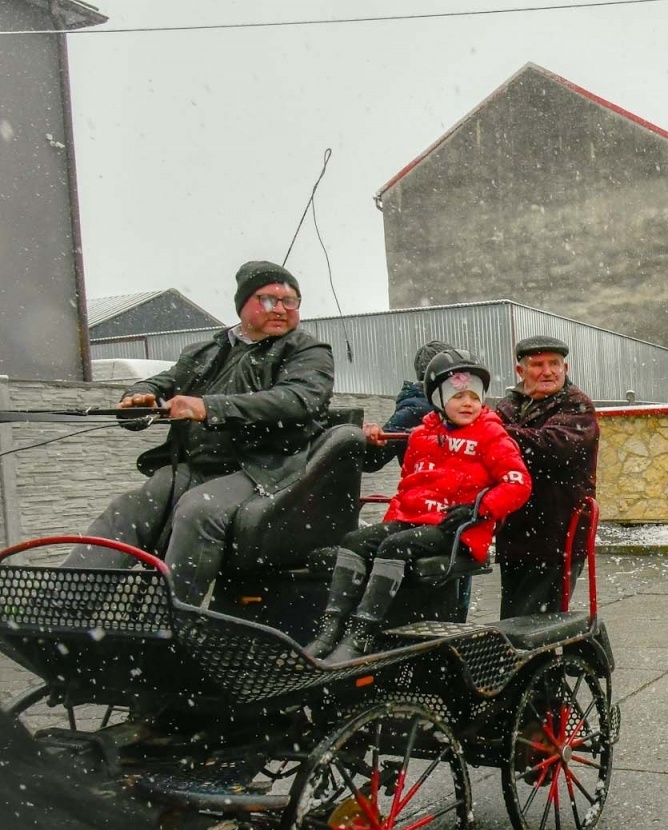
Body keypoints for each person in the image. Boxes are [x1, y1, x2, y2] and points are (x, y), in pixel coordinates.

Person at [63, 261, 334, 605]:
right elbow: (161, 382)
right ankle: (61, 606)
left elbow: (297, 400)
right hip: (201, 468)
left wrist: (209, 407)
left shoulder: (308, 352)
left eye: (290, 301)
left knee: (197, 510)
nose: (280, 309)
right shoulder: (205, 352)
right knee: (130, 507)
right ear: (243, 305)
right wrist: (139, 398)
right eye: (267, 300)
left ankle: (174, 620)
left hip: (270, 467)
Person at [304, 351, 529, 661]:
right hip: (414, 520)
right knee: (355, 541)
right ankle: (331, 628)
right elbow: (408, 485)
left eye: (474, 397)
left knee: (395, 547)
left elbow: (518, 484)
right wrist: (388, 524)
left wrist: (479, 510)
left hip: (456, 528)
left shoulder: (491, 434)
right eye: (457, 396)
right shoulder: (422, 435)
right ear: (437, 399)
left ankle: (362, 634)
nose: (468, 403)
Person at [494, 335, 600, 618]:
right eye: (538, 364)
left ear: (566, 367)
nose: (548, 371)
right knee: (514, 619)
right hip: (515, 535)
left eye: (555, 363)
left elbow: (551, 447)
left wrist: (495, 435)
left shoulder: (577, 406)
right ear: (521, 371)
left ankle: (545, 662)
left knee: (540, 622)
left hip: (557, 536)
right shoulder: (507, 406)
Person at [361, 339, 460, 471]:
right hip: (427, 486)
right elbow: (374, 459)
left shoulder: (458, 404)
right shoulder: (415, 409)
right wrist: (369, 439)